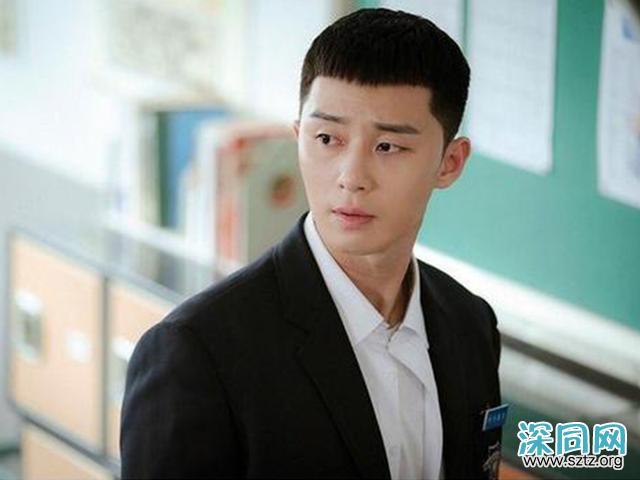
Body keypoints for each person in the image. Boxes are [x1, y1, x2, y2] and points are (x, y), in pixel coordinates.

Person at [121, 8, 502, 480]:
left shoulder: (470, 324)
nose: (351, 177)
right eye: (327, 138)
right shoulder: (197, 353)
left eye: (388, 146)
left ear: (450, 162)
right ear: (298, 137)